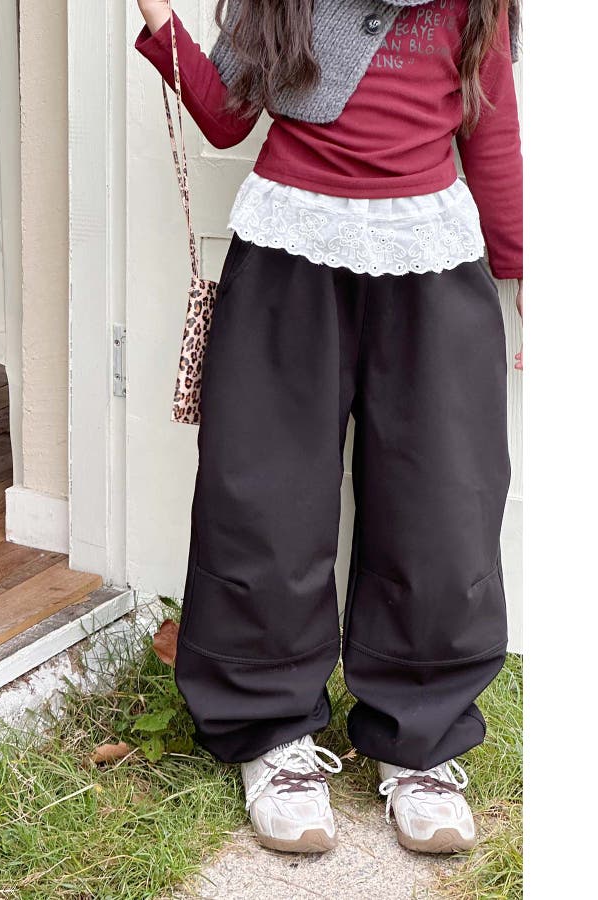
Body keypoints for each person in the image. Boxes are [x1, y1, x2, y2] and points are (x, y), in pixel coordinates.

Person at [134, 0, 522, 855]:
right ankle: (270, 732)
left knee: (442, 506)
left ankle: (420, 741)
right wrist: (159, 16)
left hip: (429, 252)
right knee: (263, 497)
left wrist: (526, 271)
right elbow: (224, 113)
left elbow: (489, 123)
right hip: (289, 248)